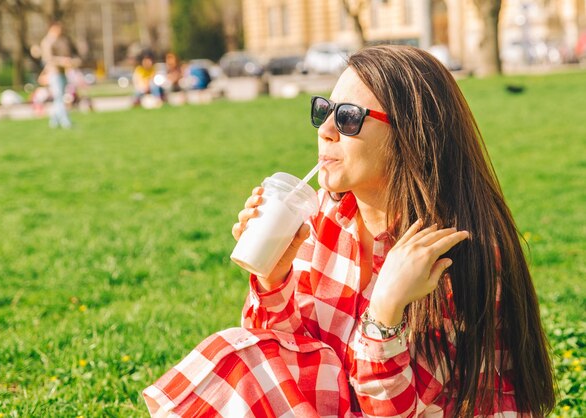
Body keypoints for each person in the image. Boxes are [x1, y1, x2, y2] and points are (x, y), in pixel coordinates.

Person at [143, 46, 555, 417]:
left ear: (409, 136)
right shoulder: (322, 215)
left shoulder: (448, 252)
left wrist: (386, 311)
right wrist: (274, 277)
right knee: (241, 356)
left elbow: (396, 413)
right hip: (350, 406)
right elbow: (289, 358)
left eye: (349, 118)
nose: (325, 130)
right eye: (324, 111)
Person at [40, 20, 80, 129]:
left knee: (59, 97)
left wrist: (72, 61)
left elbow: (71, 52)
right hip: (54, 73)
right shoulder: (47, 42)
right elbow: (48, 59)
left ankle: (54, 122)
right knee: (59, 97)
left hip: (63, 72)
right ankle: (65, 121)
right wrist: (62, 61)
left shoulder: (62, 40)